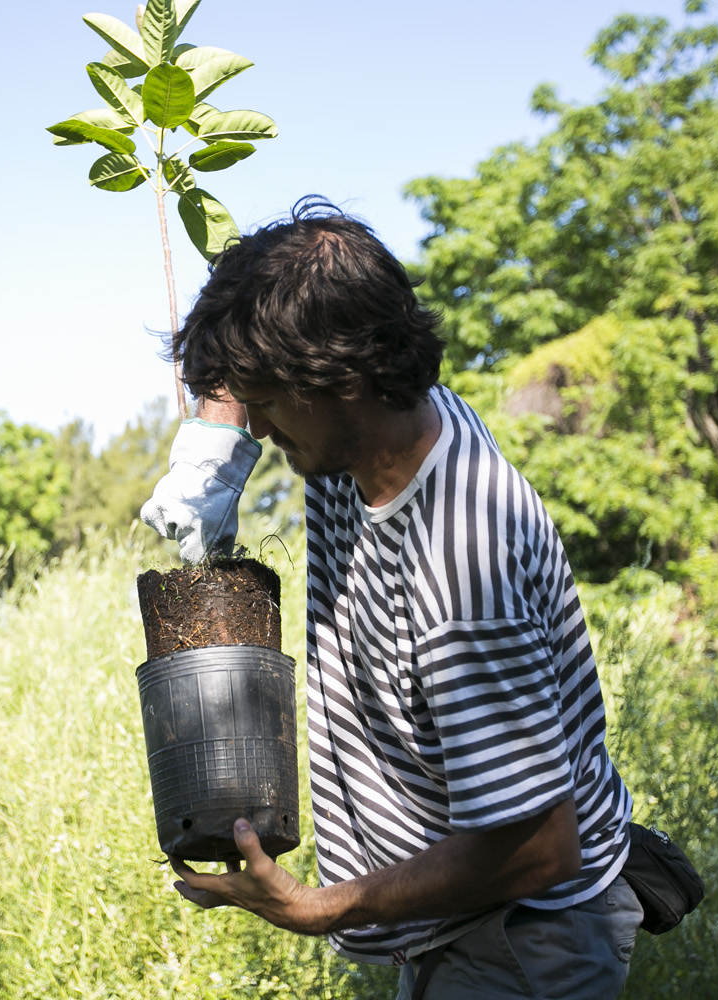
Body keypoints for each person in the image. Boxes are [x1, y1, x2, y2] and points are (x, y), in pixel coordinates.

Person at [140, 198, 641, 999]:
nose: (260, 432)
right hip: (457, 929)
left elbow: (541, 846)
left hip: (520, 942)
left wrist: (319, 908)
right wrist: (212, 446)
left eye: (268, 403)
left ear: (335, 379)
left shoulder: (461, 576)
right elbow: (290, 288)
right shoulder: (375, 435)